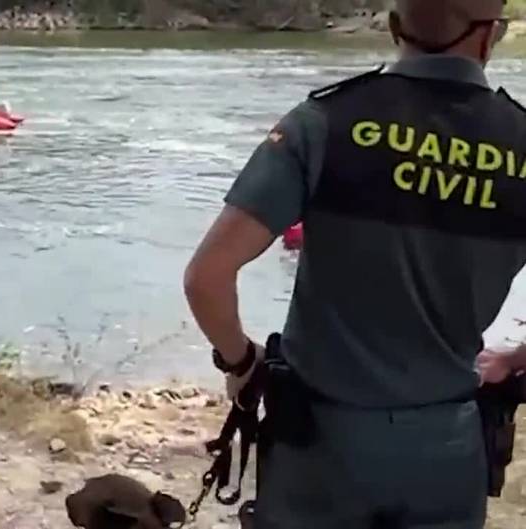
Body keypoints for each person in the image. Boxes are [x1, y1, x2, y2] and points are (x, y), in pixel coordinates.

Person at [183, 1, 524, 528]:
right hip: (447, 444)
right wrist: (515, 359)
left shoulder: (323, 121)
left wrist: (242, 364)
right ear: (490, 37)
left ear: (393, 28)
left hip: (319, 441)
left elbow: (206, 276)